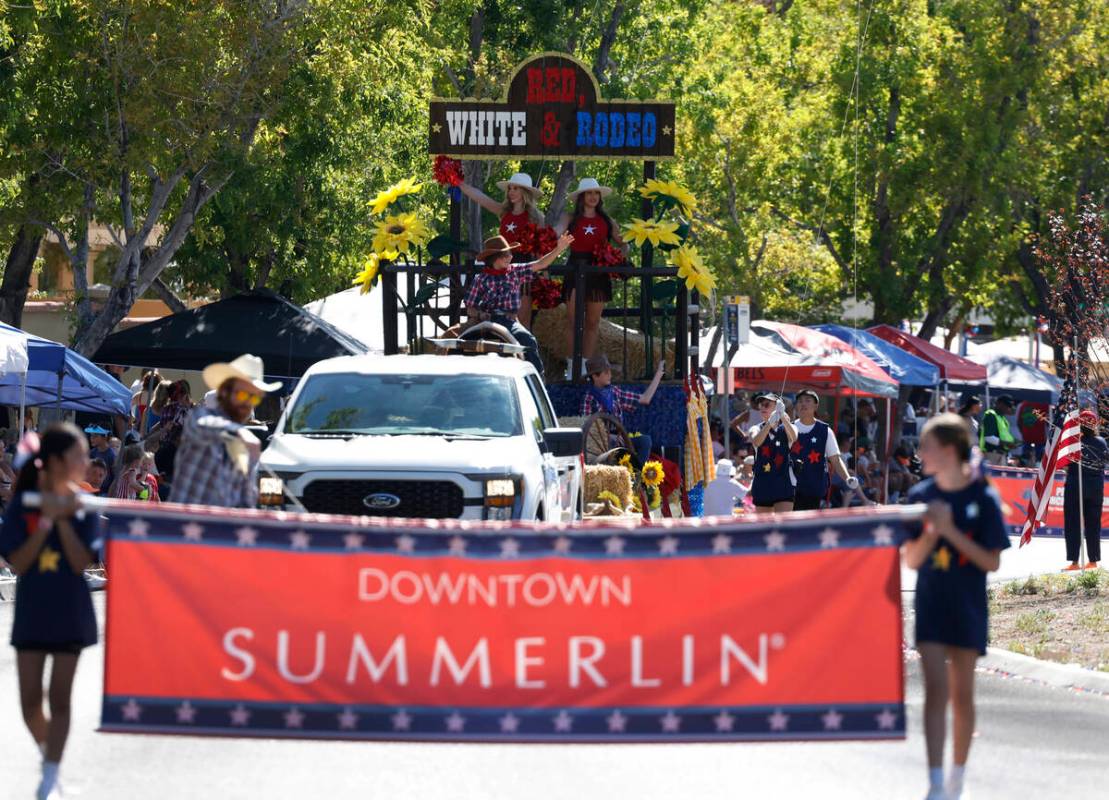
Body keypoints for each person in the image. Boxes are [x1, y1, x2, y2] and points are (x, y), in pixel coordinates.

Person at [902, 414, 1009, 800]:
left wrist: (949, 530)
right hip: (931, 604)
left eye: (925, 446)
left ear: (948, 450)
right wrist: (932, 531)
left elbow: (991, 561)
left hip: (967, 605)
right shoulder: (920, 496)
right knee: (935, 690)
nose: (919, 454)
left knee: (962, 694)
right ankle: (934, 782)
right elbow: (911, 561)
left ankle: (956, 779)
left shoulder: (982, 496)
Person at [0, 424, 101, 800]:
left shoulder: (83, 505)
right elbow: (20, 563)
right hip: (31, 611)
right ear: (57, 461)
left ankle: (50, 777)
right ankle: (50, 760)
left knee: (60, 699)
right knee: (29, 704)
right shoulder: (24, 503)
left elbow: (79, 561)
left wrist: (63, 515)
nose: (87, 463)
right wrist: (45, 518)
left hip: (70, 612)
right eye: (80, 455)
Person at [172, 354, 282, 507]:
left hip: (221, 527)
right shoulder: (199, 417)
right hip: (186, 526)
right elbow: (206, 425)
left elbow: (247, 500)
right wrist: (240, 434)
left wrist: (274, 503)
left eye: (254, 398)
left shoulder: (243, 444)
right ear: (224, 392)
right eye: (243, 394)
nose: (248, 403)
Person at [465, 232, 574, 376]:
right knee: (463, 343)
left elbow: (541, 264)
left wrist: (559, 248)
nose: (510, 257)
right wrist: (479, 314)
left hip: (509, 321)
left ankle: (537, 379)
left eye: (510, 254)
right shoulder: (481, 279)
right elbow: (470, 307)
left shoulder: (514, 271)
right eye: (506, 255)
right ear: (494, 258)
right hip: (487, 320)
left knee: (528, 340)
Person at [457, 171, 545, 327]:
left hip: (523, 268)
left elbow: (542, 247)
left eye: (516, 188)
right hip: (499, 266)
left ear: (525, 192)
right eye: (510, 188)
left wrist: (544, 273)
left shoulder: (537, 217)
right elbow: (480, 197)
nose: (511, 192)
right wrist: (459, 183)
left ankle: (524, 350)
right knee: (501, 317)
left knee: (523, 318)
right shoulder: (503, 212)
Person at [555, 178, 624, 368]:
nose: (593, 197)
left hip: (598, 273)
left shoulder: (607, 220)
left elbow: (623, 242)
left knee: (593, 322)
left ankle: (585, 366)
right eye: (589, 193)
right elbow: (555, 233)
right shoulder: (569, 218)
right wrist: (546, 236)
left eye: (596, 193)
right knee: (572, 320)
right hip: (575, 269)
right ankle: (571, 366)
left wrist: (619, 257)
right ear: (581, 197)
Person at [580, 354, 665, 466]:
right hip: (601, 445)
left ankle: (636, 475)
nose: (610, 375)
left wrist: (658, 374)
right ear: (595, 376)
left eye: (610, 371)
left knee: (645, 441)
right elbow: (587, 428)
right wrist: (609, 437)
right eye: (606, 373)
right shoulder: (589, 398)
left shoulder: (615, 392)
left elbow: (645, 399)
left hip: (621, 439)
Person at [790, 389, 859, 510]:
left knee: (808, 524)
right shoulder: (787, 428)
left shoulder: (825, 431)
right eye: (800, 401)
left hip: (814, 486)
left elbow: (835, 459)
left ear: (816, 406)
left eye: (807, 401)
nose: (803, 404)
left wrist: (847, 478)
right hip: (790, 486)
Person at [1062, 409, 1105, 571]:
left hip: (1075, 485)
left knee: (1072, 523)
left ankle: (1074, 561)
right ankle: (1093, 560)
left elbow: (1065, 463)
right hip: (1095, 488)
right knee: (1093, 524)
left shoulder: (1074, 443)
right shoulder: (1101, 442)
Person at [747, 392, 797, 513]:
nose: (762, 407)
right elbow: (757, 441)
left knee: (784, 524)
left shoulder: (788, 427)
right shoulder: (756, 428)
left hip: (783, 483)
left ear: (777, 407)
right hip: (763, 483)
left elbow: (793, 437)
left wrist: (783, 418)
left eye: (767, 404)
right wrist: (769, 423)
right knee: (763, 526)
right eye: (761, 405)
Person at [979, 394, 1016, 465]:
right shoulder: (991, 415)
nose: (1009, 408)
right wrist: (1007, 443)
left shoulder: (1003, 419)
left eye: (1010, 406)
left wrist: (1013, 443)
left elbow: (1003, 436)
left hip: (1002, 455)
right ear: (998, 403)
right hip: (991, 454)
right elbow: (988, 437)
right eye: (1007, 405)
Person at [84, 425, 116, 494]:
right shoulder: (92, 452)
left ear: (105, 437)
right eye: (91, 436)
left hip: (105, 492)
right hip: (91, 489)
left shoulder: (112, 455)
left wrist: (110, 493)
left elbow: (115, 477)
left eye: (95, 436)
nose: (91, 439)